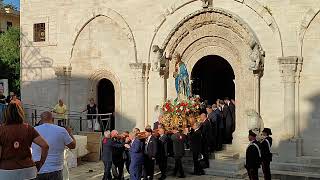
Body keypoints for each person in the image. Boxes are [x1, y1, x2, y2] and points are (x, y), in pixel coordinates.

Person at [0, 103, 49, 180]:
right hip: (28, 171)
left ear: (5, 114)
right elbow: (45, 146)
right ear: (21, 113)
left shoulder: (1, 130)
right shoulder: (28, 128)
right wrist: (41, 162)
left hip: (6, 171)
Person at [31, 111, 76, 180]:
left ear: (41, 119)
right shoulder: (61, 130)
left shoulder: (33, 130)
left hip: (37, 169)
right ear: (53, 119)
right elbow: (73, 145)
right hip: (55, 170)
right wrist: (70, 133)